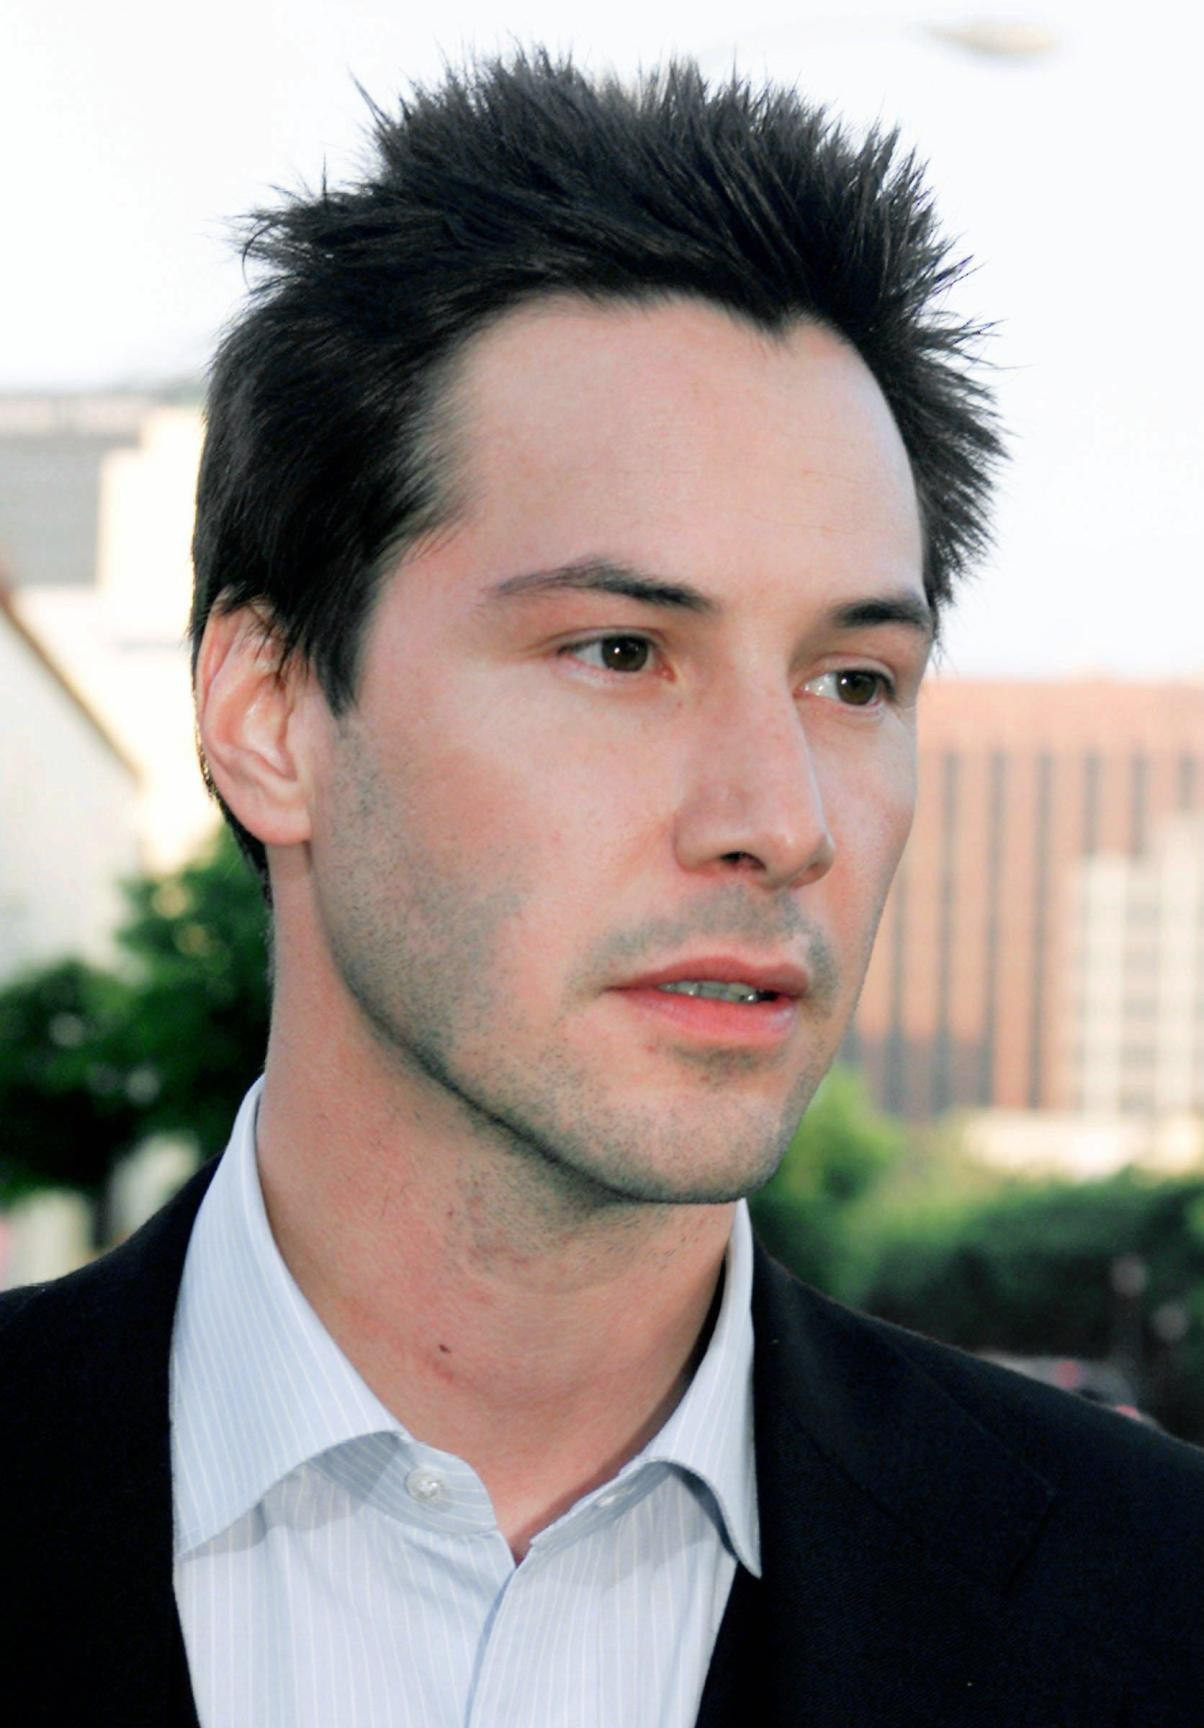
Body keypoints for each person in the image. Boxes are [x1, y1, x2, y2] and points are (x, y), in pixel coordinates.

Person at [2, 51, 1201, 1728]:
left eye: (853, 681)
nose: (781, 819)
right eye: (623, 651)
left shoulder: (1156, 1606)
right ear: (268, 716)